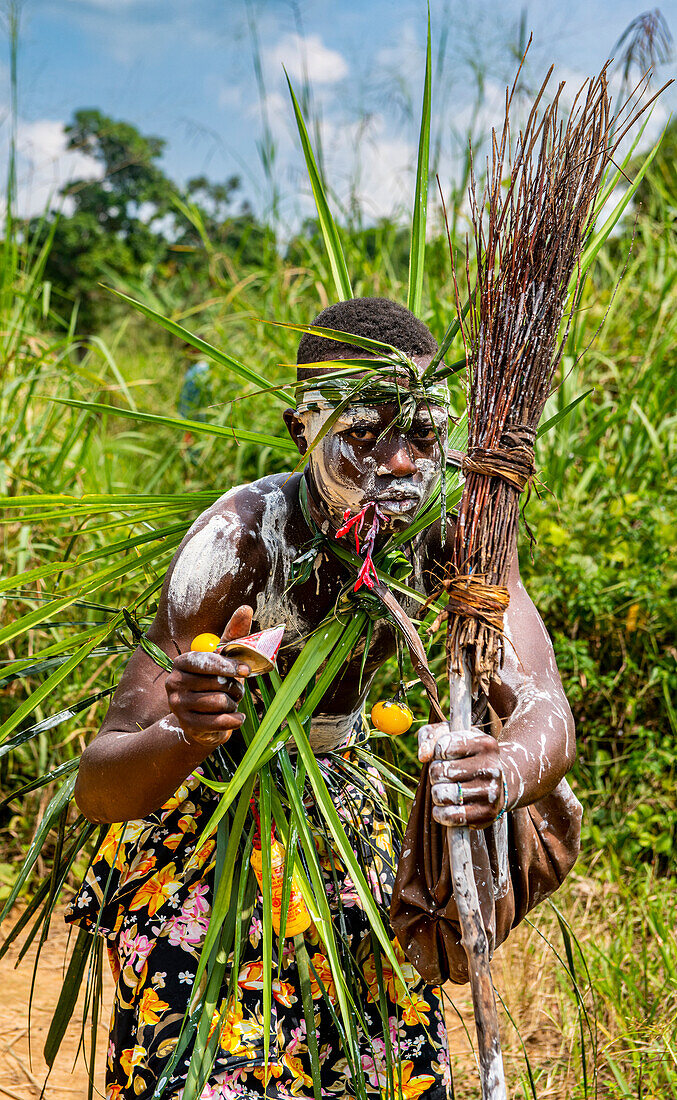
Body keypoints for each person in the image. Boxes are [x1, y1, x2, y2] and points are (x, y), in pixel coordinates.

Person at [68, 297, 577, 1100]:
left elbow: (540, 699)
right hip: (208, 834)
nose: (403, 462)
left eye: (423, 433)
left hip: (347, 834)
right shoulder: (238, 539)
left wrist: (505, 769)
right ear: (300, 429)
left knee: (380, 1071)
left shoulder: (457, 529)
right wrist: (187, 734)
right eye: (365, 434)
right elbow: (99, 786)